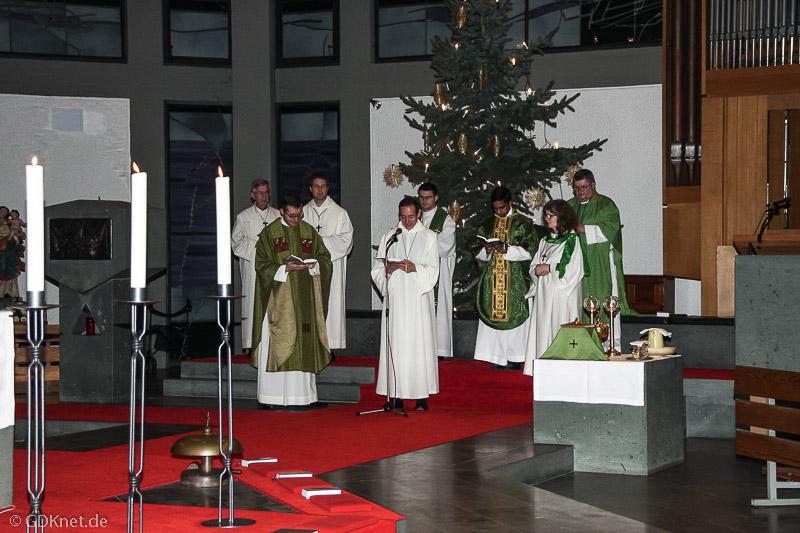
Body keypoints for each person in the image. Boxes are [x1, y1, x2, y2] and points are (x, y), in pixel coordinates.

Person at [250, 195, 333, 408]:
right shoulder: (270, 233)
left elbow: (325, 258)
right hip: (278, 301)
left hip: (304, 300)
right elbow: (261, 265)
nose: (296, 220)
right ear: (281, 212)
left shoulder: (308, 232)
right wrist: (283, 268)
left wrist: (314, 265)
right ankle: (271, 398)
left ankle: (303, 398)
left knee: (303, 342)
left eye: (299, 215)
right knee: (279, 342)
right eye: (292, 216)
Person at [371, 197, 439, 410]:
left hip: (418, 300)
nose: (407, 222)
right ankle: (396, 395)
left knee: (419, 344)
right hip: (397, 299)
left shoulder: (429, 237)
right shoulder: (390, 237)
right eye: (403, 217)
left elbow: (433, 270)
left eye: (411, 217)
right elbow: (377, 270)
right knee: (397, 344)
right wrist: (389, 268)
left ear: (418, 214)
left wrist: (415, 268)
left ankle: (421, 397)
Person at [474, 187, 545, 370]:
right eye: (495, 208)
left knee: (515, 314)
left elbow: (532, 252)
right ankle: (496, 356)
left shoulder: (523, 223)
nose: (499, 212)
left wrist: (507, 249)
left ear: (510, 203)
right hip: (492, 278)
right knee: (492, 314)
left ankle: (515, 356)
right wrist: (486, 251)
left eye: (502, 208)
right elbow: (477, 253)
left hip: (515, 278)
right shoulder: (487, 225)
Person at [567, 169, 635, 348]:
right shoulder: (568, 206)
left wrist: (584, 229)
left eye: (584, 187)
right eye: (576, 188)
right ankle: (581, 344)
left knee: (604, 297)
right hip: (576, 264)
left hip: (600, 262)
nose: (580, 192)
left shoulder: (606, 204)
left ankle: (608, 344)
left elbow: (612, 230)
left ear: (593, 185)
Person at [523, 200, 584, 375]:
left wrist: (549, 268)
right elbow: (534, 264)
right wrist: (536, 269)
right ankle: (543, 368)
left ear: (562, 217)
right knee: (543, 330)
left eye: (551, 215)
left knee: (558, 327)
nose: (547, 219)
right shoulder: (545, 241)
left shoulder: (571, 241)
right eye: (546, 215)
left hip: (561, 297)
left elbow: (574, 270)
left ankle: (561, 370)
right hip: (544, 294)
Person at [302, 174, 353, 350]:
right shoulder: (302, 213)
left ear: (328, 188)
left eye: (323, 186)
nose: (320, 190)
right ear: (310, 189)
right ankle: (311, 344)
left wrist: (319, 241)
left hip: (332, 267)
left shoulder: (340, 213)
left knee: (332, 301)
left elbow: (346, 241)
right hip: (308, 267)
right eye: (316, 186)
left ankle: (330, 345)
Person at [231, 179, 280, 354]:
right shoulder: (243, 217)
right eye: (260, 193)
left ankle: (274, 343)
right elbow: (236, 243)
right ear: (253, 195)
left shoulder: (278, 215)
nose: (264, 196)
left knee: (274, 303)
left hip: (274, 268)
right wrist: (259, 249)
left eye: (266, 193)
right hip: (252, 269)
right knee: (253, 303)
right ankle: (253, 344)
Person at [417, 183, 456, 359]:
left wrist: (421, 242)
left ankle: (438, 350)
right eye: (421, 197)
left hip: (438, 272)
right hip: (417, 272)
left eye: (428, 197)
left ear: (436, 198)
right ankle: (419, 347)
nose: (424, 201)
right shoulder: (413, 216)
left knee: (438, 308)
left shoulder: (445, 220)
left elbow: (445, 247)